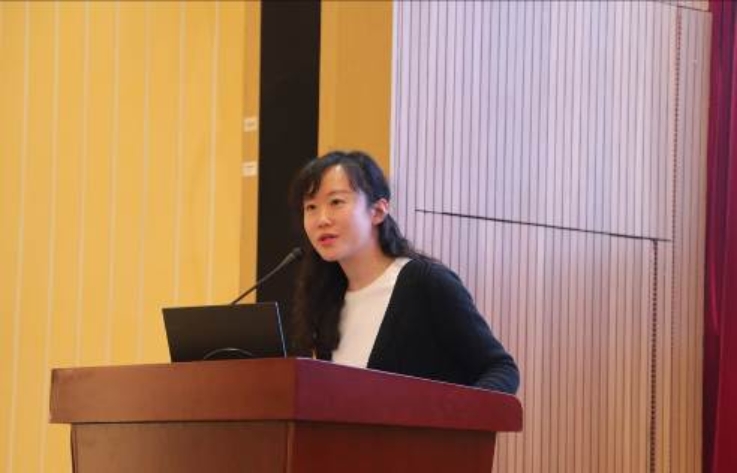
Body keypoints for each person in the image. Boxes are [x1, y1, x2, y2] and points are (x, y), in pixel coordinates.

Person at [289, 150, 519, 394]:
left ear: (378, 211)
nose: (322, 219)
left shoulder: (426, 283)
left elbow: (500, 369)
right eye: (311, 207)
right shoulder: (324, 296)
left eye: (336, 202)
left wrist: (455, 413)